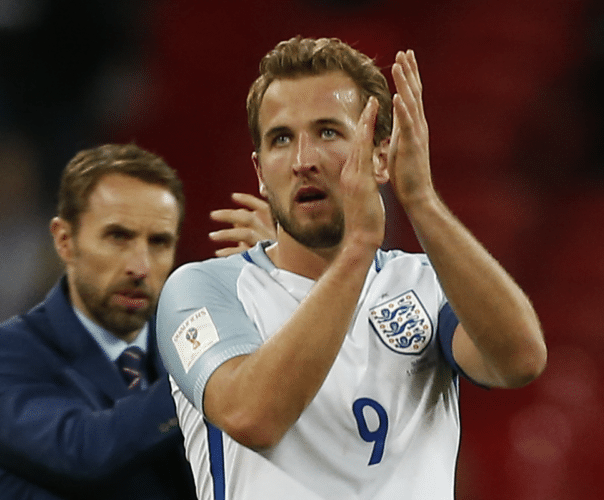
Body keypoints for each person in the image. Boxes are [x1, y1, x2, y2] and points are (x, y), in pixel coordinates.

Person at [156, 36, 548, 500]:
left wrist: (420, 200)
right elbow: (252, 417)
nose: (304, 161)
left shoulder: (422, 284)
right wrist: (359, 247)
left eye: (328, 132)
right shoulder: (202, 290)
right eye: (282, 139)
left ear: (381, 155)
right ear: (260, 172)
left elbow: (521, 360)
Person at [0, 143, 274, 499]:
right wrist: (212, 367)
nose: (139, 266)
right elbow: (84, 450)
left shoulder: (175, 345)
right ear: (65, 241)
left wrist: (276, 288)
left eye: (158, 242)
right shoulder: (0, 355)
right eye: (118, 237)